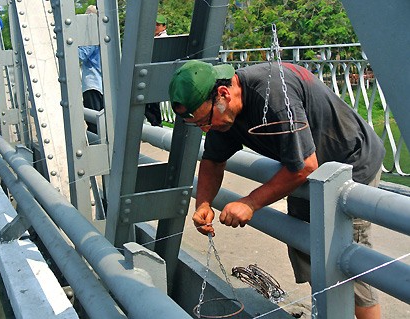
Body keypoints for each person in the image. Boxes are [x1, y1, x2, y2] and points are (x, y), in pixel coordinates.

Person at [169, 60, 385, 319]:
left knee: (347, 262)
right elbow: (213, 160)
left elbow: (305, 165)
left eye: (205, 120)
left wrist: (249, 203)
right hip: (308, 173)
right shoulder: (222, 114)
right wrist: (203, 203)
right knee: (310, 250)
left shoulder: (271, 95)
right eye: (199, 125)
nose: (206, 129)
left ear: (223, 94)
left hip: (350, 164)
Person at [78, 5, 103, 133]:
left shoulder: (91, 37)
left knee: (93, 123)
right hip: (103, 86)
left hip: (92, 84)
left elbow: (81, 54)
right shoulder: (103, 34)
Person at [144, 15, 168, 127]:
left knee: (151, 102)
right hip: (152, 74)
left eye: (158, 24)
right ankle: (156, 123)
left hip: (155, 75)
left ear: (164, 27)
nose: (155, 26)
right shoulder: (152, 38)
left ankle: (156, 123)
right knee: (150, 102)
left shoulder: (162, 39)